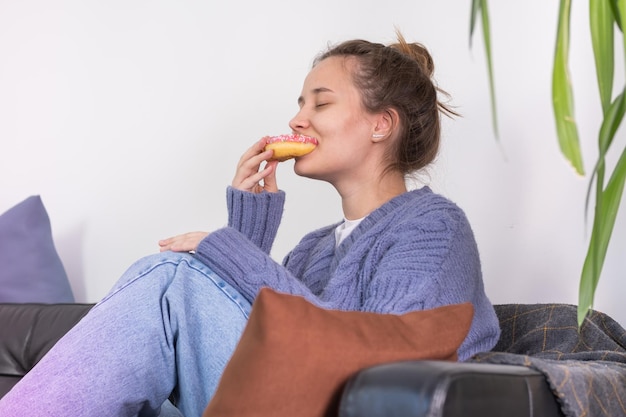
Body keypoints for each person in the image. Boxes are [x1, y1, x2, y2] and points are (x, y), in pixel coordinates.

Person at [0, 32, 501, 417]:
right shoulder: (313, 249)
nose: (298, 119)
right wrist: (246, 237)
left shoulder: (433, 226)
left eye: (320, 103)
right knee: (172, 289)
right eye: (300, 103)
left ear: (380, 124)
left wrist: (230, 252)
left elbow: (384, 355)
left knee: (171, 277)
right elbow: (258, 337)